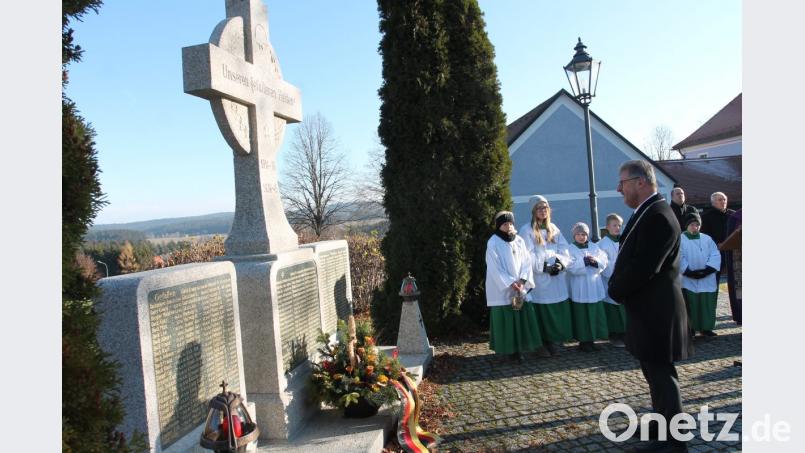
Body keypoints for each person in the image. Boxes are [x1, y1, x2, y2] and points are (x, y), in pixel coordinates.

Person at [608, 160, 693, 453]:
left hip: (659, 311)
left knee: (662, 374)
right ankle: (661, 426)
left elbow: (645, 266)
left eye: (623, 182)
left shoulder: (658, 215)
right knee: (652, 371)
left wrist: (615, 289)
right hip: (648, 309)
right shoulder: (646, 211)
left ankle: (675, 442)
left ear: (640, 182)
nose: (619, 188)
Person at [485, 211, 544, 363]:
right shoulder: (493, 242)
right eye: (505, 224)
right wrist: (511, 282)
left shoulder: (519, 240)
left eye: (511, 223)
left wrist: (523, 280)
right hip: (503, 289)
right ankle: (507, 351)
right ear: (499, 226)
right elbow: (494, 267)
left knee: (520, 317)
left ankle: (519, 350)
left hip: (520, 286)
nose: (509, 226)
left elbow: (526, 261)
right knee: (507, 319)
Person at [519, 196, 573, 356]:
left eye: (545, 207)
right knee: (541, 312)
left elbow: (564, 249)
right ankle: (540, 344)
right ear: (534, 211)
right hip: (540, 279)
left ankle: (551, 341)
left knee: (554, 311)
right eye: (539, 208)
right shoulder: (526, 230)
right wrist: (544, 267)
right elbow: (526, 255)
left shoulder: (554, 228)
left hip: (556, 279)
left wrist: (560, 263)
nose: (543, 210)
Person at [566, 222, 609, 352]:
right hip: (580, 286)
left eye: (584, 234)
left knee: (595, 313)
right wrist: (583, 262)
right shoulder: (570, 249)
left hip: (594, 284)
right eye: (578, 234)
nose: (581, 237)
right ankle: (583, 341)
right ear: (574, 236)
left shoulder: (594, 247)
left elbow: (604, 260)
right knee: (582, 315)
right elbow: (569, 266)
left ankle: (593, 339)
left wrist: (595, 262)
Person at [680, 212, 721, 337]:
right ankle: (691, 328)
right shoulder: (680, 239)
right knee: (691, 304)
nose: (695, 227)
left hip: (706, 278)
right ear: (686, 225)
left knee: (706, 304)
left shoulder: (706, 238)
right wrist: (687, 271)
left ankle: (706, 328)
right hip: (688, 279)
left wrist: (708, 270)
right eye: (692, 224)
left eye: (697, 225)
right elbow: (678, 256)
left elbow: (715, 254)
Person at [598, 213, 626, 348]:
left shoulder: (625, 240)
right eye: (614, 225)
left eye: (619, 225)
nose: (617, 228)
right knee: (613, 307)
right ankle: (614, 334)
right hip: (611, 280)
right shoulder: (602, 244)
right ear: (607, 227)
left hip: (625, 279)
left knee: (624, 306)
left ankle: (625, 333)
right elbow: (604, 263)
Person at [699, 192, 735, 284]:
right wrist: (716, 243)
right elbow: (704, 235)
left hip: (733, 251)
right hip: (716, 251)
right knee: (715, 280)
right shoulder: (705, 216)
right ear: (713, 202)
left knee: (734, 280)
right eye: (720, 200)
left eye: (724, 199)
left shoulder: (733, 215)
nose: (723, 201)